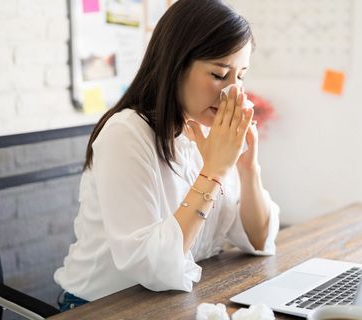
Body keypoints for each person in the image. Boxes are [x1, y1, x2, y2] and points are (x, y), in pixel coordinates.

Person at [54, 0, 280, 312]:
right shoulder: (126, 134)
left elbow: (258, 239)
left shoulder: (206, 131)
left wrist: (246, 167)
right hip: (100, 307)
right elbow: (150, 268)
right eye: (219, 73)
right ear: (175, 66)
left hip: (174, 303)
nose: (233, 93)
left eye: (240, 76)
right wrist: (212, 172)